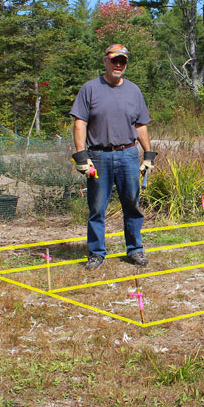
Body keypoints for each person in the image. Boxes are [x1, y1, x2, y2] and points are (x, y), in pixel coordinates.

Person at [70, 44, 157, 270]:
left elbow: (140, 125)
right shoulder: (90, 89)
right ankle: (97, 253)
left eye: (123, 61)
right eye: (114, 60)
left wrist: (148, 155)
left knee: (132, 205)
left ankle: (135, 250)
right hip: (98, 156)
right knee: (97, 208)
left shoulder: (134, 91)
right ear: (105, 61)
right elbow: (80, 123)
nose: (118, 65)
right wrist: (81, 156)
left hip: (128, 155)